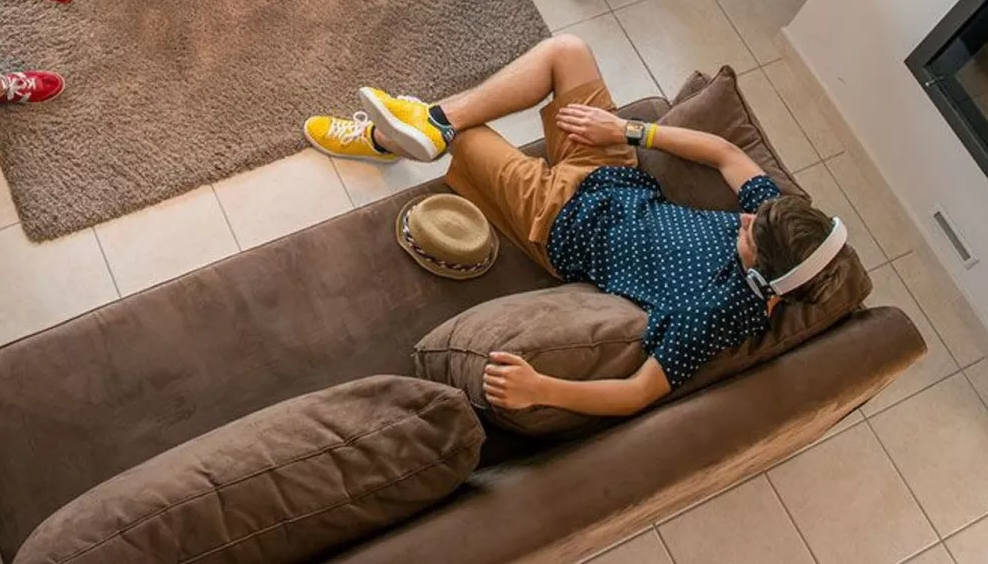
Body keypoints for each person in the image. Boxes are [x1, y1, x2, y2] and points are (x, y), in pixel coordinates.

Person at [302, 35, 848, 417]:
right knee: (568, 52)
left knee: (469, 140)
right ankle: (429, 122)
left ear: (765, 276)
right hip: (615, 174)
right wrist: (628, 130)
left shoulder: (713, 316)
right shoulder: (780, 222)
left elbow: (636, 393)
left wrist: (541, 389)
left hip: (560, 220)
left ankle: (383, 140)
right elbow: (726, 152)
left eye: (750, 232)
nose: (747, 215)